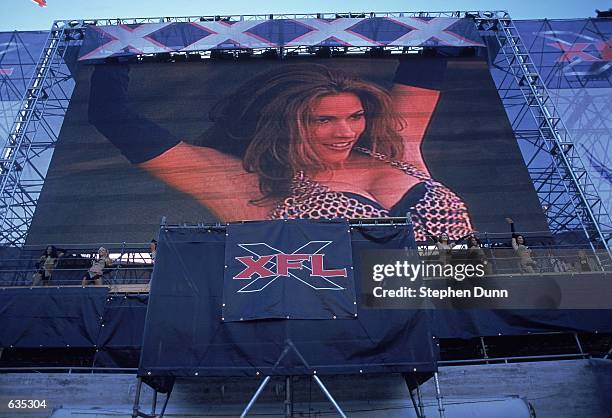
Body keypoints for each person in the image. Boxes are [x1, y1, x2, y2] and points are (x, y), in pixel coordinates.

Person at [89, 61, 473, 241]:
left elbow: (429, 55)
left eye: (355, 116)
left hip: (466, 302)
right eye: (322, 121)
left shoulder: (394, 146)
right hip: (353, 324)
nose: (345, 132)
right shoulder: (247, 185)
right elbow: (111, 116)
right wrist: (117, 48)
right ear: (285, 124)